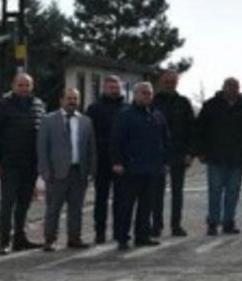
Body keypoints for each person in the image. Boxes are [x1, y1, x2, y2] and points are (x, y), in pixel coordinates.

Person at [0, 73, 47, 255]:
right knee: (8, 204)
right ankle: (3, 242)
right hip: (9, 164)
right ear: (13, 85)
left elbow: (42, 135)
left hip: (30, 164)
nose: (23, 88)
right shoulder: (2, 106)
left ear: (32, 86)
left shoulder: (38, 105)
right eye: (20, 85)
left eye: (27, 85)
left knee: (24, 204)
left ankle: (20, 239)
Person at [36, 88, 98, 251]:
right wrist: (44, 169)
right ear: (61, 100)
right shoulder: (49, 120)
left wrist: (91, 170)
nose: (72, 102)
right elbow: (42, 147)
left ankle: (74, 238)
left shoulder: (86, 121)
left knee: (76, 208)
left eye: (75, 99)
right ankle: (50, 239)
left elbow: (91, 148)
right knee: (53, 208)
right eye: (69, 98)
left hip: (79, 172)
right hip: (56, 172)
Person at [109, 82, 169, 251]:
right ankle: (122, 238)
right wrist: (117, 162)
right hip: (129, 170)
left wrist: (164, 162)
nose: (147, 96)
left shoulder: (157, 116)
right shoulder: (125, 115)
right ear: (135, 95)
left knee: (146, 206)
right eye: (144, 93)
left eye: (149, 93)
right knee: (125, 206)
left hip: (152, 170)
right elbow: (116, 141)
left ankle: (142, 236)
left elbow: (165, 140)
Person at [195, 77, 242, 236]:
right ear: (223, 88)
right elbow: (200, 130)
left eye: (235, 86)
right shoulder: (210, 106)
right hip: (215, 156)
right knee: (214, 191)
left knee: (233, 191)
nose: (232, 89)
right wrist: (200, 151)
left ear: (238, 88)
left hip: (237, 157)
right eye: (228, 86)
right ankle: (213, 223)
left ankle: (229, 222)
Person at [152, 69, 195, 238]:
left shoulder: (183, 102)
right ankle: (156, 226)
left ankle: (176, 225)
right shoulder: (154, 101)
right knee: (156, 193)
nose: (170, 83)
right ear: (162, 82)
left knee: (178, 193)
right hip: (158, 154)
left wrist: (190, 152)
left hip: (179, 153)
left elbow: (192, 129)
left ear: (177, 82)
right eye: (167, 81)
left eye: (173, 81)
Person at [85, 76, 126, 245]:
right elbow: (88, 136)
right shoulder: (94, 109)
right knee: (101, 198)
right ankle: (99, 231)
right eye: (110, 87)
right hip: (101, 160)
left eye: (116, 87)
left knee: (121, 199)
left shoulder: (126, 108)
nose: (114, 90)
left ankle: (119, 231)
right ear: (104, 88)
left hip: (122, 161)